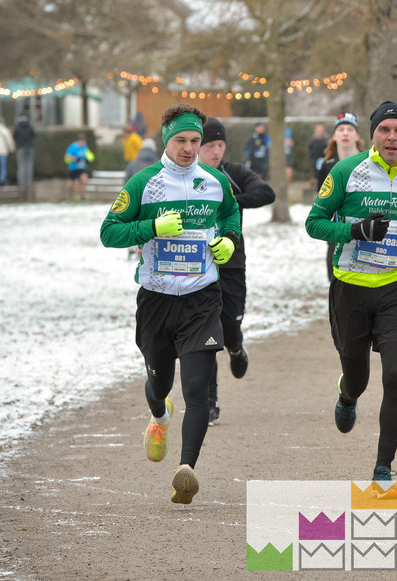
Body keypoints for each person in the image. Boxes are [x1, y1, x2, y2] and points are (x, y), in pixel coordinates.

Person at [99, 104, 242, 504]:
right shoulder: (145, 183)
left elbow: (231, 217)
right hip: (157, 301)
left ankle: (187, 471)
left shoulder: (214, 181)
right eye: (181, 140)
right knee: (160, 384)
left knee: (197, 387)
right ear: (167, 138)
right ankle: (159, 419)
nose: (190, 148)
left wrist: (229, 242)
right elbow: (109, 232)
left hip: (202, 299)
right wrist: (152, 227)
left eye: (196, 141)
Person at [305, 100, 397, 483]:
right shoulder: (347, 171)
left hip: (396, 290)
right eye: (384, 130)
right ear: (373, 135)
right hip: (350, 290)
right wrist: (354, 231)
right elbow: (314, 223)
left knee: (395, 376)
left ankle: (383, 466)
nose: (392, 137)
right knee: (358, 378)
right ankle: (347, 396)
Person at [199, 118, 276, 423]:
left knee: (229, 328)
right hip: (197, 266)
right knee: (205, 335)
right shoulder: (187, 178)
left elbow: (266, 193)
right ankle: (209, 401)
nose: (215, 151)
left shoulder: (233, 173)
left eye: (220, 145)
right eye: (209, 145)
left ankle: (236, 347)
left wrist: (231, 202)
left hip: (232, 265)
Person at [317, 113, 366, 282]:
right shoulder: (327, 166)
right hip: (336, 232)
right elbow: (322, 202)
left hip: (365, 231)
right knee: (336, 283)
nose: (345, 133)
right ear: (334, 136)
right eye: (341, 129)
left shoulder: (370, 162)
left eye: (350, 129)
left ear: (357, 136)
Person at [64, 133, 95, 200]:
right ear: (79, 141)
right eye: (82, 142)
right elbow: (67, 157)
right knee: (76, 182)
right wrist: (75, 159)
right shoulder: (73, 147)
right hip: (74, 168)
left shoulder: (85, 146)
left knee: (84, 180)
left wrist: (87, 159)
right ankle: (77, 196)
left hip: (82, 168)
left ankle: (83, 196)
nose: (83, 143)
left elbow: (90, 156)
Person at [13, 112, 37, 193]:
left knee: (21, 166)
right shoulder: (30, 126)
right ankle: (29, 182)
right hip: (29, 147)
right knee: (29, 165)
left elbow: (15, 137)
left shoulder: (17, 127)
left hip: (21, 148)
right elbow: (34, 134)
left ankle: (22, 183)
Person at [308, 122, 330, 188]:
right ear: (315, 131)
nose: (320, 132)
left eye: (321, 131)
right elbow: (310, 152)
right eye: (318, 131)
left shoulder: (327, 142)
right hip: (314, 166)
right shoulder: (312, 142)